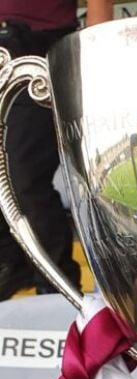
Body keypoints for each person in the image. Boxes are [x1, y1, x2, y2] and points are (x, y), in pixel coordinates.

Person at [0, 0, 113, 300]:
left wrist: (94, 54)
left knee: (22, 174)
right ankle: (12, 264)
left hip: (37, 43)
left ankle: (56, 286)